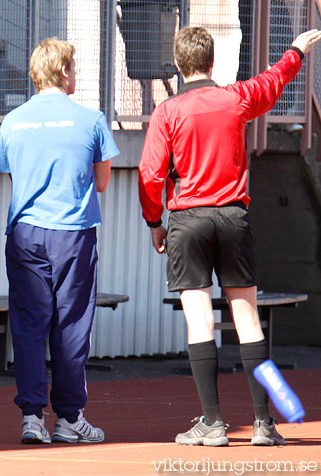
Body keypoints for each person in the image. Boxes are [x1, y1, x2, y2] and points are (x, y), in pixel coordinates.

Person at [138, 27, 321, 447]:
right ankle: (262, 422)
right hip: (233, 215)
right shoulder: (236, 98)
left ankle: (212, 422)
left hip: (187, 220)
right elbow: (273, 82)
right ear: (211, 63)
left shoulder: (168, 112)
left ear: (179, 66)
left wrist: (154, 222)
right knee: (249, 319)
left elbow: (150, 174)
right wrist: (295, 49)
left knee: (199, 320)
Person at [0, 37, 118, 444]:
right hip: (72, 232)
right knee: (71, 325)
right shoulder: (92, 119)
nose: (76, 75)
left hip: (25, 231)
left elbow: (17, 178)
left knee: (29, 326)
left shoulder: (12, 121)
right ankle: (69, 417)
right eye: (74, 68)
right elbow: (101, 183)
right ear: (64, 71)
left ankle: (32, 416)